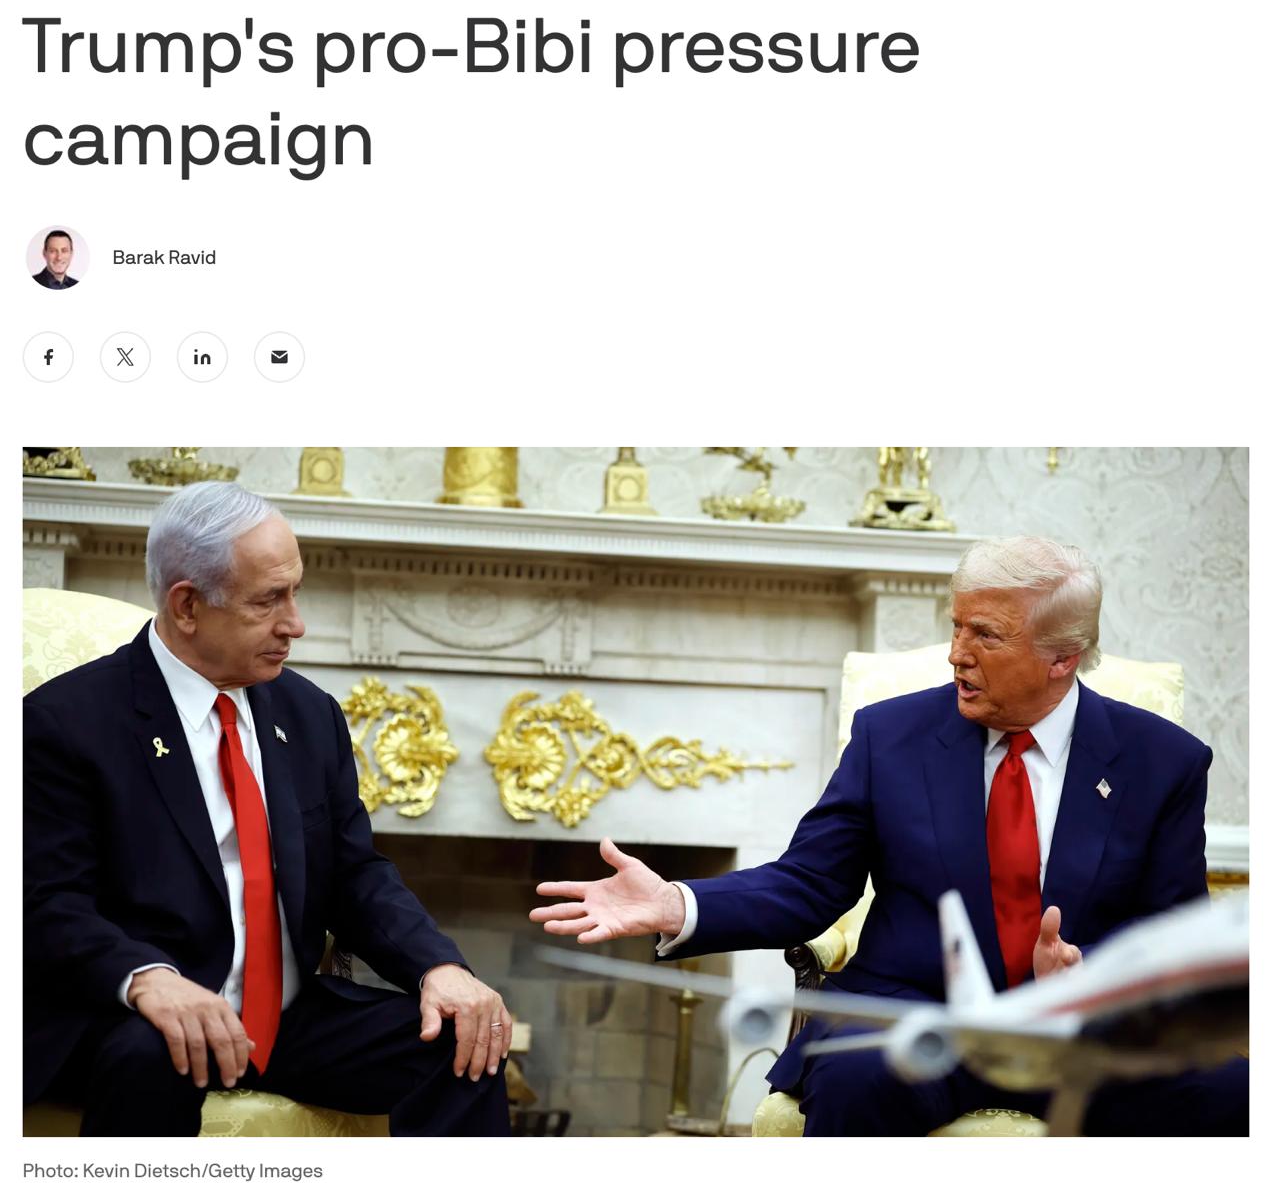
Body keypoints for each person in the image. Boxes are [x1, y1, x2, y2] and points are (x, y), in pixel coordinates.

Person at [530, 536, 1248, 1135]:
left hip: (1085, 1033)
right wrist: (677, 904)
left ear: (1062, 656)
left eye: (985, 635)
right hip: (916, 1018)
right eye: (956, 627)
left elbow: (1176, 938)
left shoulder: (1163, 763)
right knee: (856, 1075)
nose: (956, 653)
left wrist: (1095, 982)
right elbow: (811, 881)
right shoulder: (891, 737)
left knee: (1233, 1091)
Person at [24, 481, 511, 1136]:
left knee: (464, 1045)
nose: (295, 624)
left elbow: (354, 872)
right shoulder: (65, 723)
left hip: (284, 1020)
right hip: (137, 1016)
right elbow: (46, 903)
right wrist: (145, 978)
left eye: (295, 592)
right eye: (268, 600)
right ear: (188, 606)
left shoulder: (309, 714)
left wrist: (437, 966)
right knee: (156, 1054)